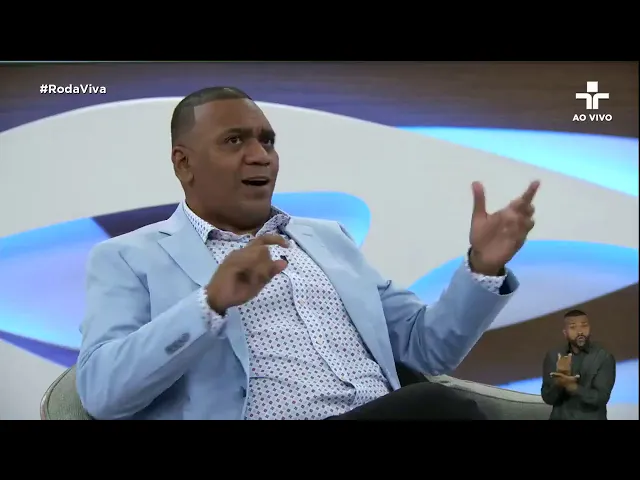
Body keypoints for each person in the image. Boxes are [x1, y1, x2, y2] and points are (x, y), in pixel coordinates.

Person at [76, 86, 538, 420]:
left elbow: (426, 348)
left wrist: (484, 265)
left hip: (380, 412)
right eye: (234, 141)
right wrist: (209, 303)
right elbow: (101, 392)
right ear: (184, 163)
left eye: (267, 141)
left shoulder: (328, 239)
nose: (260, 155)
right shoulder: (128, 258)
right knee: (438, 407)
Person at [541, 309, 616, 420]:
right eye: (573, 327)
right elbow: (548, 398)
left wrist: (572, 387)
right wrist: (559, 383)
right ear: (565, 333)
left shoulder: (604, 357)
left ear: (590, 328)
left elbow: (601, 398)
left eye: (584, 325)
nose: (580, 331)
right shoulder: (554, 356)